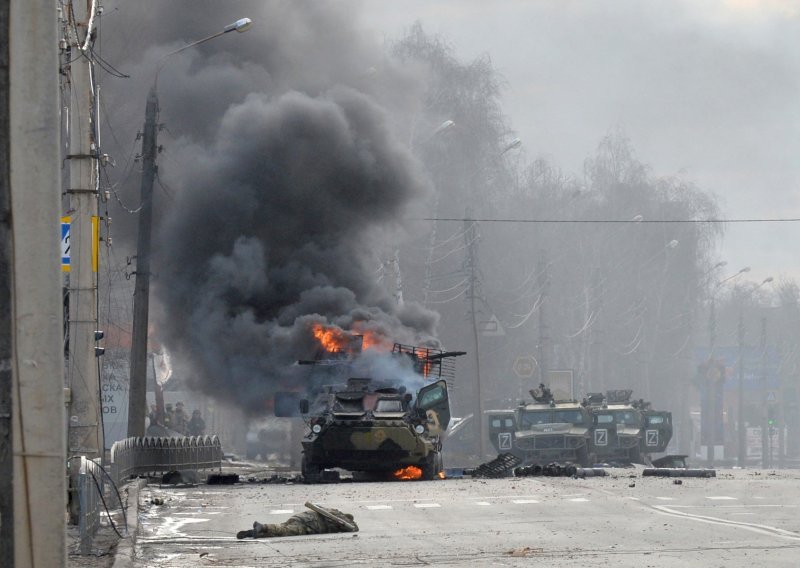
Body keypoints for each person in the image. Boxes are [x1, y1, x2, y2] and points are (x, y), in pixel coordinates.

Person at [236, 504, 358, 539]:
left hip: (301, 518)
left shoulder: (331, 510)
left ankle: (255, 532)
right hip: (309, 525)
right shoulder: (340, 519)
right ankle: (262, 527)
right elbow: (354, 528)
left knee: (283, 529)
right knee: (285, 530)